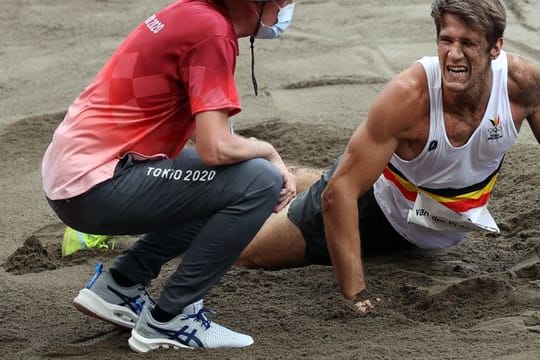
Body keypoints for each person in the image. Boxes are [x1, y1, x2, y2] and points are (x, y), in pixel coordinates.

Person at [236, 0, 540, 315]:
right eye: (447, 40)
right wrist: (356, 294)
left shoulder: (523, 85)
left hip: (430, 214)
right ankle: (236, 183)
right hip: (378, 208)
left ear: (495, 47)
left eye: (468, 43)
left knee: (350, 174)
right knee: (247, 254)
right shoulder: (409, 97)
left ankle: (279, 174)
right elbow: (338, 194)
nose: (454, 54)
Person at [41, 0, 297, 352]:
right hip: (96, 184)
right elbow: (215, 149)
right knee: (261, 181)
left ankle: (121, 285)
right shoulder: (213, 33)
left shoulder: (190, 12)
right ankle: (171, 320)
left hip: (74, 175)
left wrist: (247, 154)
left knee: (238, 178)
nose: (287, 10)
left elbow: (204, 133)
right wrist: (268, 151)